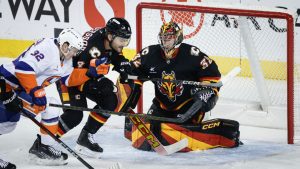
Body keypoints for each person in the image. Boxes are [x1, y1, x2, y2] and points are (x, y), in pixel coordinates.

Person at [121, 21, 240, 151]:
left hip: (187, 107)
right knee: (150, 127)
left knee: (178, 129)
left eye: (169, 38)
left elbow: (213, 76)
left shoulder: (192, 55)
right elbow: (132, 72)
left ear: (178, 37)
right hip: (161, 105)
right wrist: (131, 91)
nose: (165, 41)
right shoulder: (149, 53)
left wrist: (207, 90)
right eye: (163, 37)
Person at [0, 28, 84, 167]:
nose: (75, 54)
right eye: (74, 50)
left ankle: (43, 148)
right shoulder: (47, 48)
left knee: (50, 107)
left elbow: (68, 80)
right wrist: (36, 91)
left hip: (21, 89)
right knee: (7, 123)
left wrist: (90, 73)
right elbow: (23, 68)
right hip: (6, 85)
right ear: (65, 45)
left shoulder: (66, 60)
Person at [56, 17, 133, 157]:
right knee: (74, 114)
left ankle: (85, 137)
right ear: (110, 36)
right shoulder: (91, 48)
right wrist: (92, 73)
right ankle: (44, 141)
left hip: (87, 74)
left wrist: (122, 62)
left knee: (110, 100)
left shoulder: (110, 39)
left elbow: (114, 54)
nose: (124, 44)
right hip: (68, 78)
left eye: (126, 40)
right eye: (122, 40)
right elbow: (70, 78)